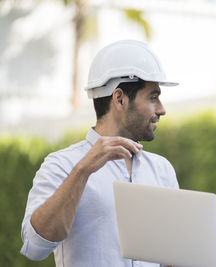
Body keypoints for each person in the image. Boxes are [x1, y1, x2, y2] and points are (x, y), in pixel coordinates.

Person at [20, 40, 179, 267]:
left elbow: (172, 255)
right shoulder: (62, 165)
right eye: (153, 97)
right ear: (120, 98)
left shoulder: (162, 169)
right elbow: (35, 247)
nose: (162, 109)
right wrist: (83, 170)